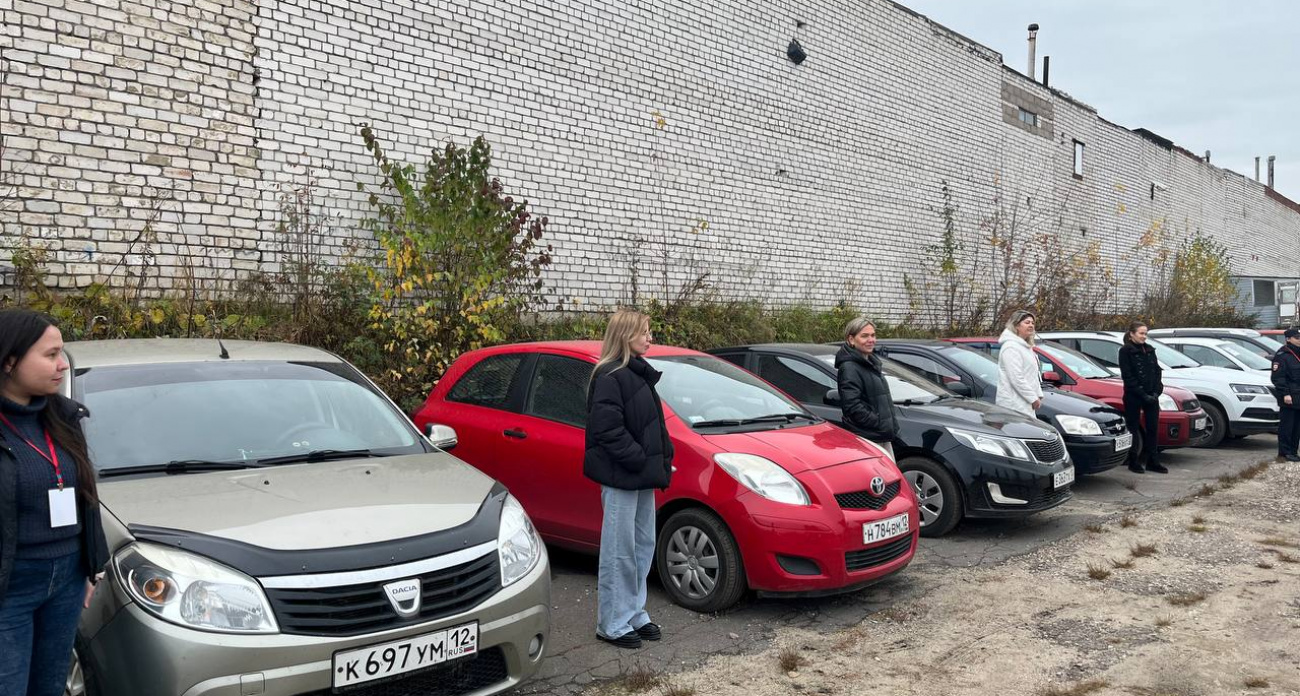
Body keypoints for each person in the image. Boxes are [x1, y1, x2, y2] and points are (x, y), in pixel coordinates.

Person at [0, 309, 109, 696]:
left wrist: (89, 567)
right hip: (9, 586)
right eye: (50, 355)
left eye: (61, 353)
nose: (62, 364)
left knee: (48, 687)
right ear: (10, 360)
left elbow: (86, 497)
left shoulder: (62, 416)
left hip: (65, 582)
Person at [584, 309, 672, 649]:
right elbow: (607, 430)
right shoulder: (609, 375)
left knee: (641, 546)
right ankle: (612, 623)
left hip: (641, 476)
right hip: (622, 475)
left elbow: (650, 426)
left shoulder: (637, 373)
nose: (650, 338)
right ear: (625, 335)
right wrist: (639, 459)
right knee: (619, 550)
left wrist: (662, 457)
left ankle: (634, 613)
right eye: (645, 332)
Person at [835, 317, 899, 459]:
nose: (871, 340)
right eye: (864, 336)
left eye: (873, 335)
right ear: (851, 339)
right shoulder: (849, 367)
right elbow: (852, 406)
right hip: (868, 440)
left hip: (880, 436)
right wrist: (879, 422)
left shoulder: (871, 363)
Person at [1118, 321, 1168, 474]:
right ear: (1132, 334)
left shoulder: (1149, 349)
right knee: (1133, 427)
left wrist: (1156, 391)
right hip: (1134, 395)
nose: (1144, 336)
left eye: (1145, 333)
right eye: (1141, 333)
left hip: (1151, 394)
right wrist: (1143, 394)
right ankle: (1133, 461)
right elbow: (1128, 376)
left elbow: (1156, 371)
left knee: (1153, 427)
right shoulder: (1125, 351)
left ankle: (1153, 461)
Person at [996, 309, 1043, 419]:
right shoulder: (1011, 347)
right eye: (1027, 322)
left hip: (1025, 404)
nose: (1031, 325)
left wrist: (1038, 394)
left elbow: (1032, 375)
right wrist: (1032, 398)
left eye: (1032, 323)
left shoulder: (1026, 347)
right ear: (1016, 326)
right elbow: (1016, 377)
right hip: (1013, 405)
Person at [1269, 327, 1300, 463]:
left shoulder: (1298, 353)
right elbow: (1278, 378)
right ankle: (1285, 452)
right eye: (1297, 338)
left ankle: (1293, 451)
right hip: (1288, 396)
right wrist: (1285, 394)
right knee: (1287, 426)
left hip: (1298, 395)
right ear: (1288, 339)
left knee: (1297, 427)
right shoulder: (1283, 355)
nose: (1299, 340)